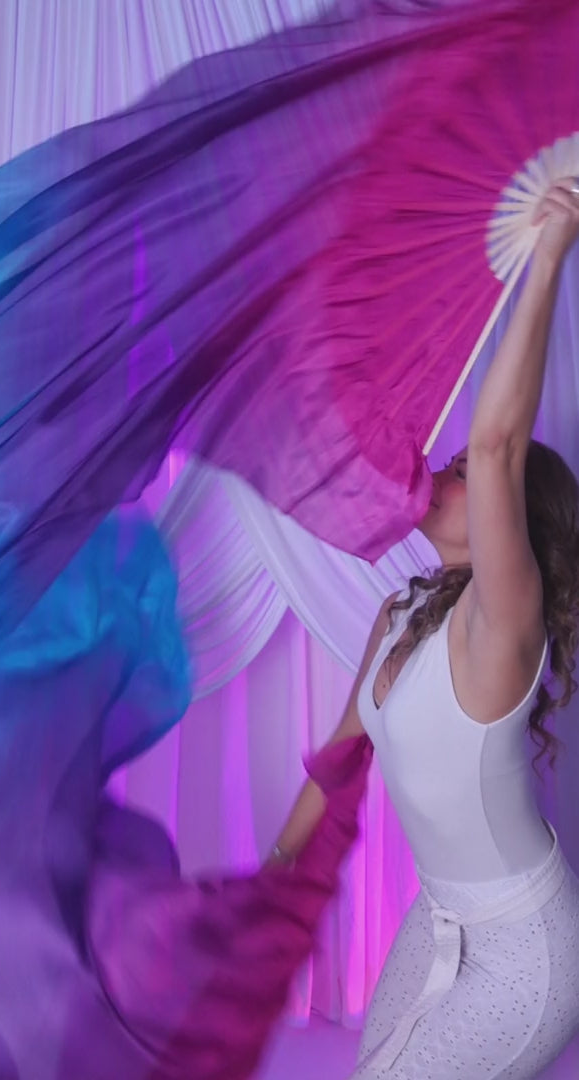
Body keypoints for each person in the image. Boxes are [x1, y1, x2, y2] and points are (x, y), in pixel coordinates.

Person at [269, 180, 579, 1078]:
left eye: (460, 472)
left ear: (504, 520)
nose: (438, 472)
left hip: (527, 951)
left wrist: (549, 254)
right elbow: (343, 751)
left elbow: (497, 446)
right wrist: (277, 872)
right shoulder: (403, 608)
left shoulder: (503, 625)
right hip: (438, 917)